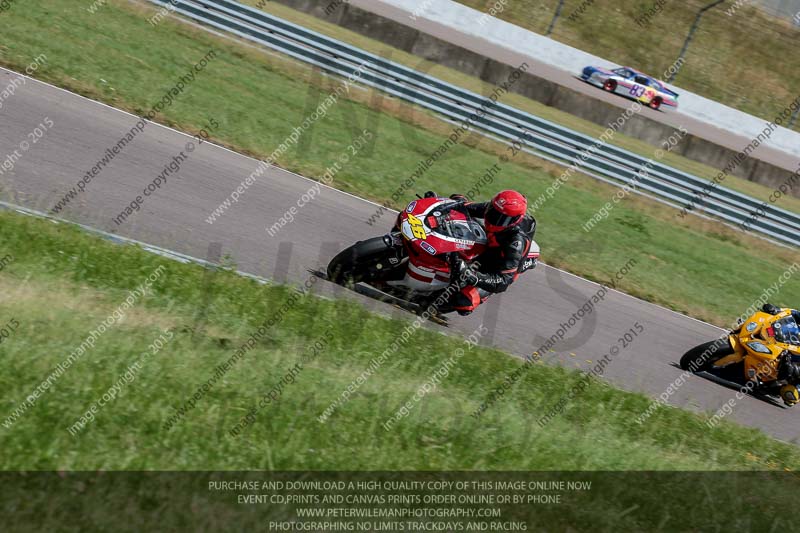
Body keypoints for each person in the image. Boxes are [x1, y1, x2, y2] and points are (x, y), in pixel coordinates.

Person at [439, 190, 536, 316]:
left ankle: (433, 308)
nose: (493, 218)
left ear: (514, 221)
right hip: (490, 243)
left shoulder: (516, 243)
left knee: (463, 301)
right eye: (493, 212)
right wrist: (444, 206)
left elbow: (503, 281)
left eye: (501, 219)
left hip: (497, 267)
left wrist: (473, 277)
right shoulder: (497, 209)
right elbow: (465, 207)